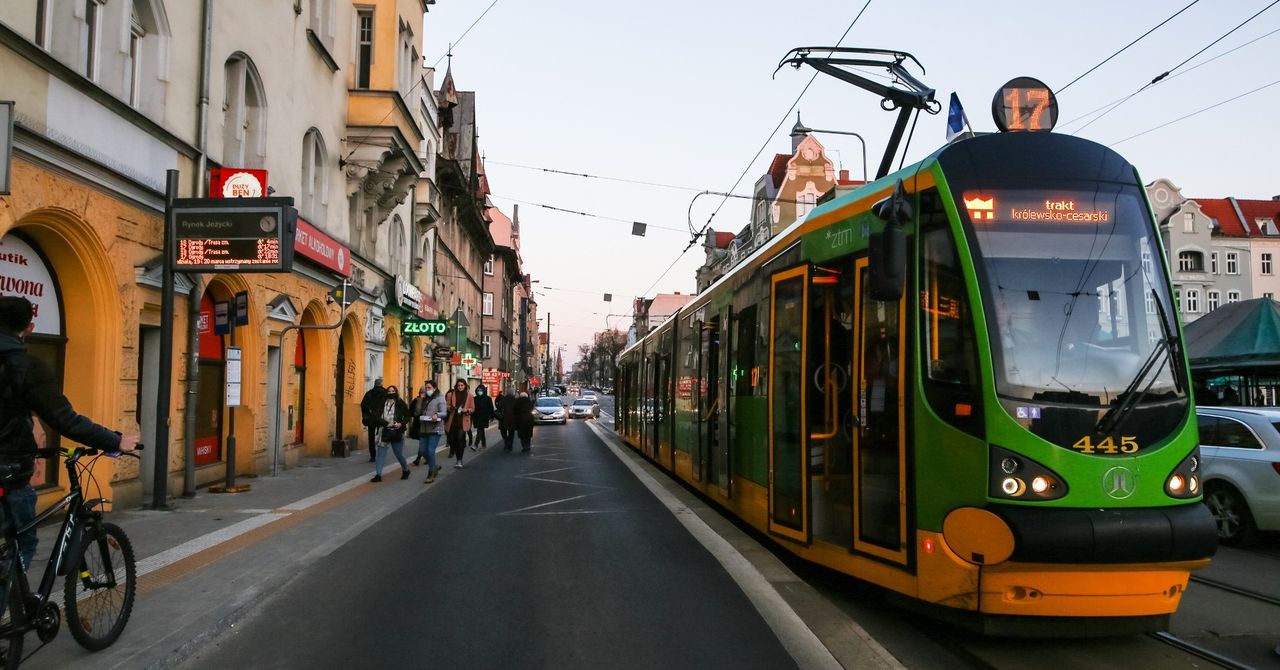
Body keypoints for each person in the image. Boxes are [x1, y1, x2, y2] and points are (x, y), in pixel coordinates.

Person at [0, 296, 138, 569]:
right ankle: (14, 606)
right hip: (10, 471)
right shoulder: (28, 366)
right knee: (19, 545)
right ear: (29, 327)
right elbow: (65, 420)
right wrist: (116, 440)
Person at [370, 385, 410, 482]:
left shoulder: (400, 403)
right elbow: (376, 416)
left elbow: (408, 416)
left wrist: (401, 424)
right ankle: (378, 475)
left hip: (396, 431)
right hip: (383, 431)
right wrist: (385, 424)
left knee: (398, 454)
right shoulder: (382, 402)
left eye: (393, 391)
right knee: (381, 455)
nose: (391, 393)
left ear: (396, 392)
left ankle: (406, 470)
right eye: (389, 391)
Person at [410, 381, 446, 483]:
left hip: (435, 427)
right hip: (423, 427)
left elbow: (444, 413)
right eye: (426, 388)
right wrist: (419, 402)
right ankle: (434, 465)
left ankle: (431, 473)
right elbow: (417, 412)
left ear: (434, 388)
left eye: (429, 387)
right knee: (422, 450)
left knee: (430, 450)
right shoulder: (423, 399)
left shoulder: (440, 398)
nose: (427, 390)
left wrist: (437, 415)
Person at [444, 380, 475, 468]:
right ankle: (456, 455)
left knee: (460, 439)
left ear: (465, 386)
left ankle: (459, 460)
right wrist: (451, 408)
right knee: (452, 440)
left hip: (462, 421)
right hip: (452, 421)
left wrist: (466, 410)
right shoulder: (451, 395)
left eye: (462, 385)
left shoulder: (470, 396)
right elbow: (447, 406)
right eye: (458, 385)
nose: (460, 387)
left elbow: (472, 408)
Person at [359, 377, 387, 463]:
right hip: (381, 418)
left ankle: (373, 456)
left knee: (371, 437)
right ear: (381, 384)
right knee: (382, 437)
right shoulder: (385, 393)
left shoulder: (369, 393)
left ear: (374, 384)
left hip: (371, 419)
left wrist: (369, 412)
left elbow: (363, 405)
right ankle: (381, 455)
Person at [470, 384, 495, 451]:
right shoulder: (475, 399)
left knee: (480, 429)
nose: (479, 391)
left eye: (481, 390)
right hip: (477, 417)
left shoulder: (488, 398)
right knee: (481, 430)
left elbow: (491, 408)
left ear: (484, 391)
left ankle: (475, 445)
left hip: (484, 417)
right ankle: (484, 444)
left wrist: (492, 416)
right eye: (478, 390)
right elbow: (472, 408)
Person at [496, 386, 518, 451]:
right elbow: (517, 409)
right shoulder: (515, 400)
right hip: (512, 419)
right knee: (511, 433)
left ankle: (506, 442)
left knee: (503, 432)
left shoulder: (503, 399)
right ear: (513, 393)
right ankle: (510, 445)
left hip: (503, 419)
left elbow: (499, 406)